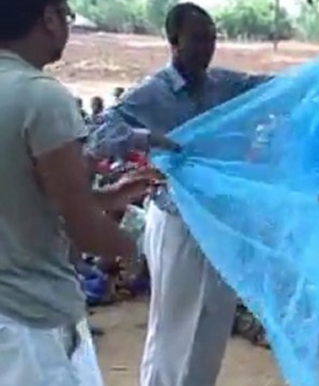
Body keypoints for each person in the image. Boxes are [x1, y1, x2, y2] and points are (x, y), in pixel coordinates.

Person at [88, 4, 272, 386]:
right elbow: (97, 134)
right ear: (173, 43)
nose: (208, 47)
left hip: (219, 222)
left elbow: (271, 87)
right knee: (174, 328)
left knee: (212, 324)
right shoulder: (153, 94)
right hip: (177, 221)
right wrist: (146, 139)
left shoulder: (223, 84)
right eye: (199, 39)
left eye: (212, 38)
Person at [0, 1, 155, 384]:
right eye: (67, 16)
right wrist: (139, 249)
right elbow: (83, 229)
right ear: (49, 19)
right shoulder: (41, 98)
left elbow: (28, 193)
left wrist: (110, 196)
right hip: (34, 321)